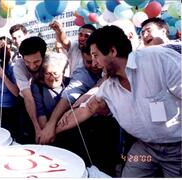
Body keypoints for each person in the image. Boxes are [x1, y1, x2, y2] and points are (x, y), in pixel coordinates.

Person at [56, 25, 181, 177]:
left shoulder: (159, 60)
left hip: (177, 150)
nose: (94, 63)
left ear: (113, 51)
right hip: (144, 150)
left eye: (95, 56)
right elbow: (87, 109)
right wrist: (52, 131)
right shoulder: (109, 87)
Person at [38, 44, 103, 145]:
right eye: (89, 62)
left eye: (55, 74)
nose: (94, 65)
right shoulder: (81, 75)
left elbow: (94, 90)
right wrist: (49, 128)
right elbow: (70, 96)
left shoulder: (109, 72)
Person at [13, 36, 47, 143]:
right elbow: (28, 97)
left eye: (36, 61)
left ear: (44, 56)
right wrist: (36, 127)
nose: (32, 66)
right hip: (26, 101)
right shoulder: (18, 66)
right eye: (27, 61)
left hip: (45, 99)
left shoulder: (50, 60)